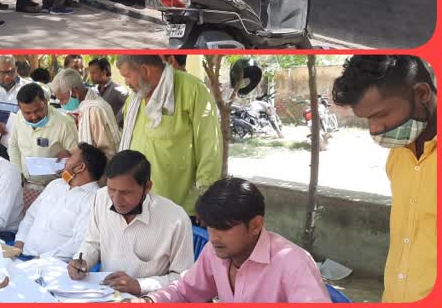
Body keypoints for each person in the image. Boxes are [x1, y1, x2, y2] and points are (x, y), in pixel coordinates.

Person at [332, 55, 437, 303]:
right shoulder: (397, 157)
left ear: (422, 94)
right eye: (367, 119)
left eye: (381, 114)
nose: (375, 129)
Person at [131, 177, 329, 303]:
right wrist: (148, 301)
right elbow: (186, 291)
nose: (213, 236)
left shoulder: (293, 263)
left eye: (224, 228)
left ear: (255, 225)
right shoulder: (214, 251)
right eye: (210, 226)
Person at [69, 150, 194, 296]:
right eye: (112, 189)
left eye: (126, 192)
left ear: (147, 187)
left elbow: (183, 278)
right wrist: (83, 261)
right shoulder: (101, 197)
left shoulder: (175, 219)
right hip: (104, 293)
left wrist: (140, 285)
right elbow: (93, 242)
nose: (116, 200)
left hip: (148, 299)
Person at [118, 55, 221, 215]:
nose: (126, 82)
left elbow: (209, 144)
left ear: (144, 71)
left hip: (178, 207)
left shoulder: (192, 89)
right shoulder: (133, 100)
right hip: (138, 203)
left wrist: (206, 195)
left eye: (127, 76)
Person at [14, 143, 106, 259]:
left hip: (53, 267)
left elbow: (78, 243)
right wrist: (19, 242)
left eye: (71, 156)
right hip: (22, 254)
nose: (65, 160)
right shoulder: (55, 184)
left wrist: (41, 260)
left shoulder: (94, 200)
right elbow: (31, 216)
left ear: (80, 167)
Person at [9, 83, 79, 208]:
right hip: (25, 185)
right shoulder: (19, 118)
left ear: (46, 102)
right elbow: (13, 145)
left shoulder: (65, 123)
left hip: (53, 189)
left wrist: (69, 156)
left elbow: (76, 158)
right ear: (20, 109)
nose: (34, 116)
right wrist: (17, 172)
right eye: (28, 113)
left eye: (38, 110)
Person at [52, 68, 120, 157]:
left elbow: (106, 151)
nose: (61, 103)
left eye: (62, 99)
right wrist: (71, 152)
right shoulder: (87, 105)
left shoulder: (94, 110)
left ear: (74, 92)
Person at [88, 57, 128, 122]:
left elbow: (129, 108)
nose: (91, 76)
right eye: (90, 73)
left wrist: (116, 122)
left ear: (103, 72)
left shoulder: (119, 91)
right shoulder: (93, 91)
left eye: (93, 73)